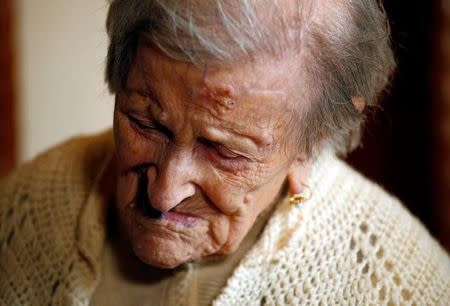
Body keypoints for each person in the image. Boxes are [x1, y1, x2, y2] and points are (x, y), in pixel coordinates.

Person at [1, 0, 449, 305]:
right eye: (145, 121)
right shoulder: (28, 207)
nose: (163, 195)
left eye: (225, 151)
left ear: (315, 137)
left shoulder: (399, 286)